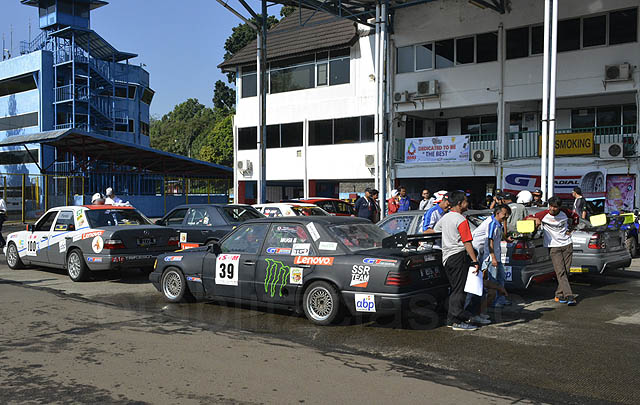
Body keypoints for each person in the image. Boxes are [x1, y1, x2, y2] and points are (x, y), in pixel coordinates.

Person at [433, 190, 481, 331]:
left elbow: (436, 230)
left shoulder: (446, 217)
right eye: (466, 201)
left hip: (447, 257)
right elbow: (467, 242)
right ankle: (455, 320)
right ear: (460, 204)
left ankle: (453, 318)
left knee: (455, 289)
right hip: (458, 256)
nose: (468, 203)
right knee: (459, 290)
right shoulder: (461, 219)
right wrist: (475, 260)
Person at [527, 196, 579, 306]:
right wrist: (535, 220)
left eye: (555, 207)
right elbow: (527, 218)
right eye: (551, 206)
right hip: (553, 247)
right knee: (560, 271)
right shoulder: (544, 214)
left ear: (559, 207)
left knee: (566, 271)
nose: (552, 209)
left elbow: (576, 217)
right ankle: (569, 295)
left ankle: (559, 294)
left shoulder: (565, 212)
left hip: (567, 244)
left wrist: (571, 229)